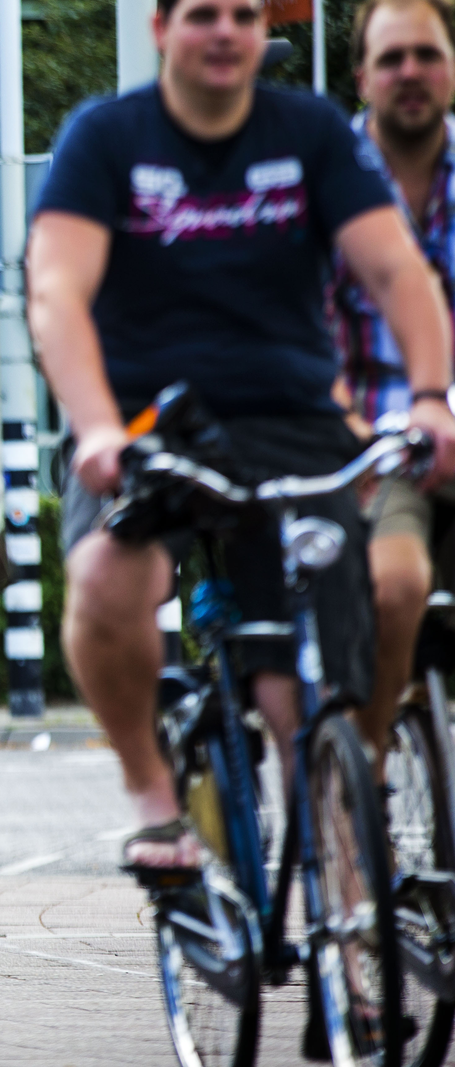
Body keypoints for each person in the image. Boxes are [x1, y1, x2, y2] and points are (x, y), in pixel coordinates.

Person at [27, 0, 455, 1053]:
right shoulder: (106, 139)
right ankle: (156, 806)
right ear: (164, 26)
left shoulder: (306, 133)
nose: (222, 32)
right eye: (200, 14)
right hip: (143, 420)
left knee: (309, 694)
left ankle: (355, 945)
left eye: (239, 14)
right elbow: (56, 291)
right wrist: (92, 427)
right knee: (108, 581)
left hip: (291, 424)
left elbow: (397, 270)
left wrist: (432, 398)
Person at [329, 0, 455, 766]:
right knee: (397, 586)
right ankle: (367, 767)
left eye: (426, 55)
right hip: (376, 442)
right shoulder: (324, 184)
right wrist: (344, 435)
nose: (410, 73)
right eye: (391, 59)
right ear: (362, 78)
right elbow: (304, 338)